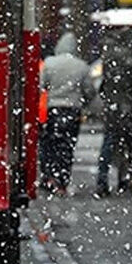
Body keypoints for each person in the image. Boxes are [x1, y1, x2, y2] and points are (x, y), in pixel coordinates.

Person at [38, 32, 95, 195]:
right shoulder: (82, 66)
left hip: (53, 109)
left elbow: (41, 85)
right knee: (67, 147)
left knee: (50, 144)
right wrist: (83, 102)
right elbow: (89, 91)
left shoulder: (49, 63)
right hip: (72, 110)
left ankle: (49, 176)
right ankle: (62, 180)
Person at [96, 35, 132, 196]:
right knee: (127, 145)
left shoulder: (109, 57)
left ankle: (102, 181)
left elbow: (104, 84)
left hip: (112, 107)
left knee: (108, 144)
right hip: (127, 107)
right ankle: (124, 179)